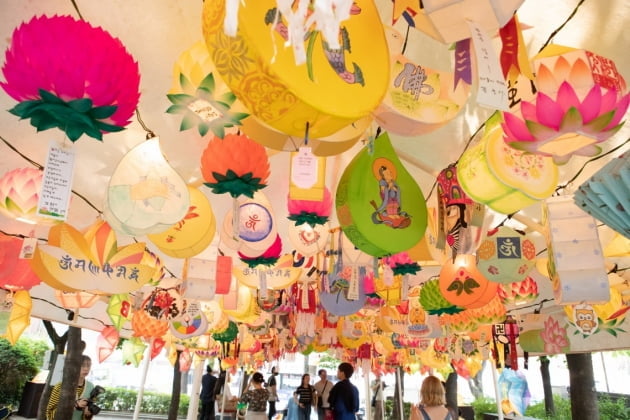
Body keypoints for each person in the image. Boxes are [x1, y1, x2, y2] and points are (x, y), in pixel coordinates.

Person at [46, 355, 96, 420]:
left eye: (88, 365)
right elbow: (50, 412)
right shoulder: (60, 386)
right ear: (74, 367)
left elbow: (88, 416)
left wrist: (88, 414)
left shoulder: (91, 386)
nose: (86, 369)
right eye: (82, 365)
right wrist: (75, 406)